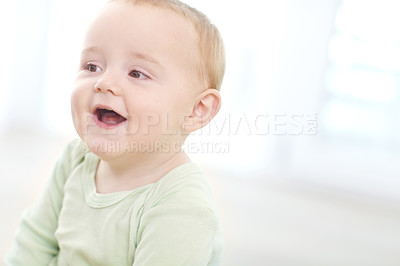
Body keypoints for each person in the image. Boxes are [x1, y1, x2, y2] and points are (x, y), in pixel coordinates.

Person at [5, 0, 225, 265]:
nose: (104, 82)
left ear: (196, 110)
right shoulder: (77, 158)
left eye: (136, 73)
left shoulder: (184, 209)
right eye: (92, 66)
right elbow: (34, 242)